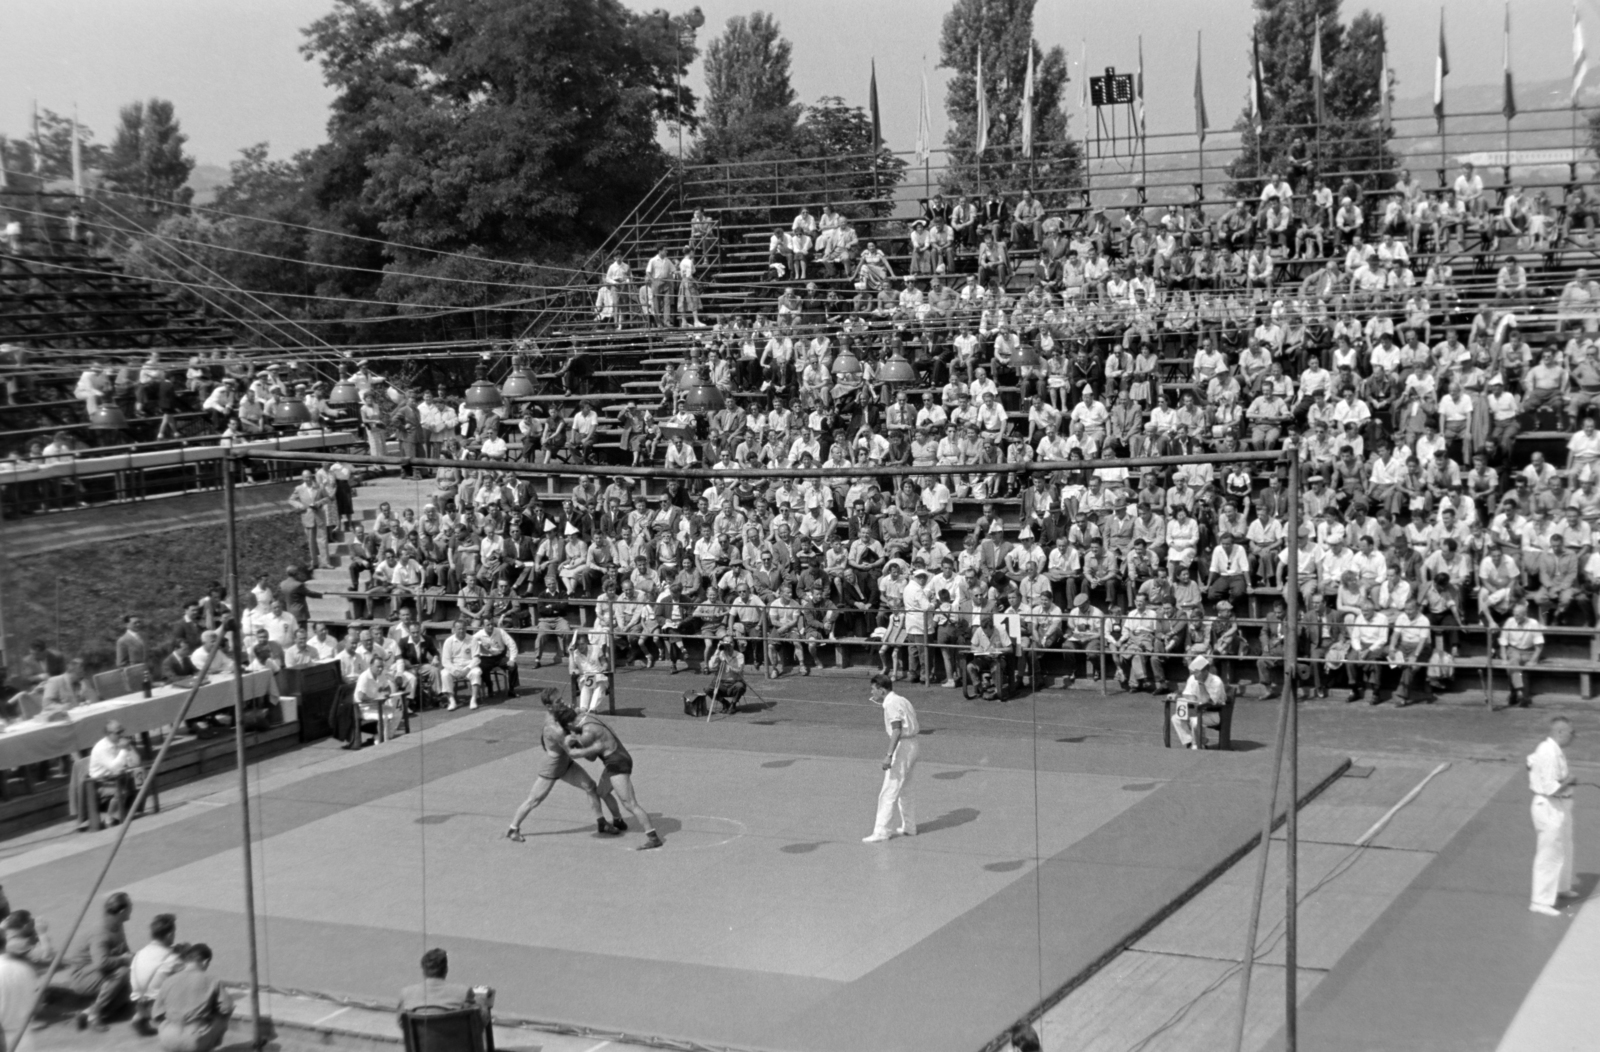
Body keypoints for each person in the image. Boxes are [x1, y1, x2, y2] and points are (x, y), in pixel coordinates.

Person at [505, 696, 623, 841]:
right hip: (552, 769)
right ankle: (513, 829)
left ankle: (601, 823)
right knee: (534, 800)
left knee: (590, 786)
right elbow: (573, 752)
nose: (563, 703)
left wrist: (576, 713)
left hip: (566, 764)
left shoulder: (555, 718)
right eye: (558, 702)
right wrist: (593, 748)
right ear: (550, 707)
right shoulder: (555, 730)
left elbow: (568, 719)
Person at [560, 708, 664, 850]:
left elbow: (589, 757)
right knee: (602, 792)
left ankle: (653, 837)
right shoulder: (590, 717)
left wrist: (569, 745)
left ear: (571, 722)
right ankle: (618, 821)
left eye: (568, 727)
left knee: (630, 804)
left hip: (617, 764)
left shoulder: (587, 733)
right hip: (618, 758)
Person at [1527, 717, 1578, 915]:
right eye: (1571, 733)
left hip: (1560, 805)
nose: (1573, 737)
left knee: (1565, 847)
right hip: (1548, 806)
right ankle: (1540, 901)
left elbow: (1530, 761)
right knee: (1549, 853)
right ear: (1559, 732)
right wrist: (1569, 781)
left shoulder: (1553, 750)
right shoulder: (1547, 752)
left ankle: (1561, 887)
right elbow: (1550, 788)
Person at [863, 672, 920, 843]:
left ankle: (881, 831)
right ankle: (910, 826)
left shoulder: (891, 704)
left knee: (889, 789)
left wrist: (889, 755)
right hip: (913, 745)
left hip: (903, 746)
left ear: (881, 690)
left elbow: (896, 729)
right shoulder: (902, 699)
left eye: (873, 689)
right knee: (906, 788)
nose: (872, 693)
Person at [66, 892, 133, 1032]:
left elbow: (124, 951)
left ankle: (87, 1013)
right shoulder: (100, 933)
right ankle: (95, 1013)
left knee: (127, 990)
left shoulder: (117, 925)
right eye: (129, 907)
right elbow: (101, 963)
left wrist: (133, 958)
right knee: (123, 973)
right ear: (121, 911)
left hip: (98, 972)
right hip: (82, 976)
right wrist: (124, 960)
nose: (131, 908)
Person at [151, 944, 234, 1052]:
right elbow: (227, 1008)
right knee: (225, 1013)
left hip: (167, 1040)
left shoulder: (168, 981)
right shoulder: (213, 980)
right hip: (194, 1041)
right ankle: (208, 1046)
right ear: (205, 962)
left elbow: (156, 1014)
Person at [397, 948, 492, 1030]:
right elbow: (481, 1022)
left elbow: (402, 1024)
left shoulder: (407, 993)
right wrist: (482, 1002)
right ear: (446, 970)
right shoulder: (462, 992)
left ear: (423, 971)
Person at [130, 913, 182, 1036]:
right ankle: (168, 1024)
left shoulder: (139, 953)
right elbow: (190, 977)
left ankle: (139, 1017)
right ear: (169, 935)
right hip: (158, 1007)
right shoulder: (173, 959)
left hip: (138, 1001)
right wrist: (184, 956)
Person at [88, 721, 146, 822]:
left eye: (122, 731)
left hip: (118, 778)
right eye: (118, 733)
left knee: (142, 778)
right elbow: (114, 767)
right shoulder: (101, 748)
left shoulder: (120, 743)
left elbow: (136, 762)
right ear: (108, 734)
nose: (121, 735)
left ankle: (129, 811)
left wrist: (129, 747)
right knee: (121, 789)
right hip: (101, 783)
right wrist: (124, 750)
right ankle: (109, 818)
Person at [1171, 655, 1227, 749]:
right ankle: (1191, 742)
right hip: (1197, 710)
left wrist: (1201, 683)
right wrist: (1178, 696)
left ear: (1205, 672)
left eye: (1196, 672)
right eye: (1193, 672)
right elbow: (1188, 694)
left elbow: (1207, 701)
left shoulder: (1216, 681)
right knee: (1176, 718)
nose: (1193, 674)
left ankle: (1197, 745)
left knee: (1195, 721)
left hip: (1216, 713)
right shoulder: (1192, 678)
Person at [1498, 599, 1545, 708]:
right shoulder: (1510, 621)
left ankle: (1514, 694)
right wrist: (1504, 658)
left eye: (1518, 615)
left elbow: (1539, 646)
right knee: (1514, 661)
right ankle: (1522, 693)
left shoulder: (1533, 623)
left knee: (1516, 667)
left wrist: (1533, 660)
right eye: (1514, 615)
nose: (1516, 617)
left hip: (1528, 651)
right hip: (1513, 650)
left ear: (1525, 614)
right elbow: (1503, 642)